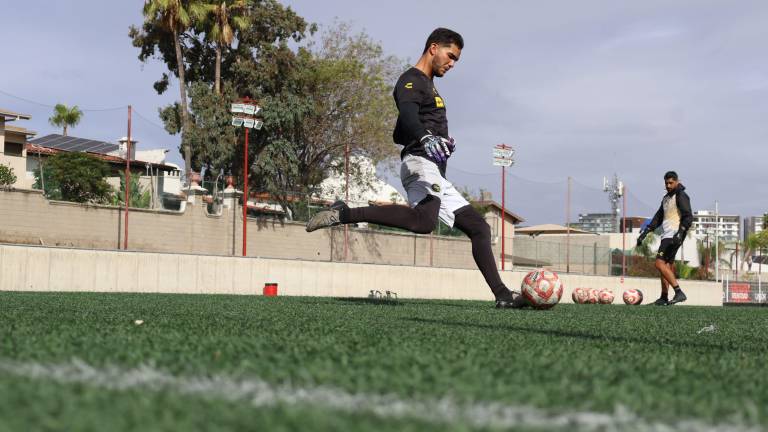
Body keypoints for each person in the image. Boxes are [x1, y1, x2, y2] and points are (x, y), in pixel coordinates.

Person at [306, 28, 525, 308]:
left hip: (433, 169)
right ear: (433, 48)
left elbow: (399, 133)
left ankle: (503, 296)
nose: (452, 64)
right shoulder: (411, 80)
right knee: (424, 222)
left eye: (456, 60)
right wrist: (425, 138)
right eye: (451, 56)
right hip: (420, 163)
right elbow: (408, 114)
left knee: (479, 228)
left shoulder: (429, 86)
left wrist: (440, 140)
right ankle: (343, 213)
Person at [636, 171, 693, 305]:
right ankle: (664, 297)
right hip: (666, 234)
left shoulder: (681, 195)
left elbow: (688, 216)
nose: (668, 185)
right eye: (666, 183)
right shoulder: (666, 198)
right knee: (666, 266)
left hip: (673, 234)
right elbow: (658, 217)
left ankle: (679, 292)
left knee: (659, 263)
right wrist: (645, 232)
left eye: (671, 183)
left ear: (677, 182)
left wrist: (680, 232)